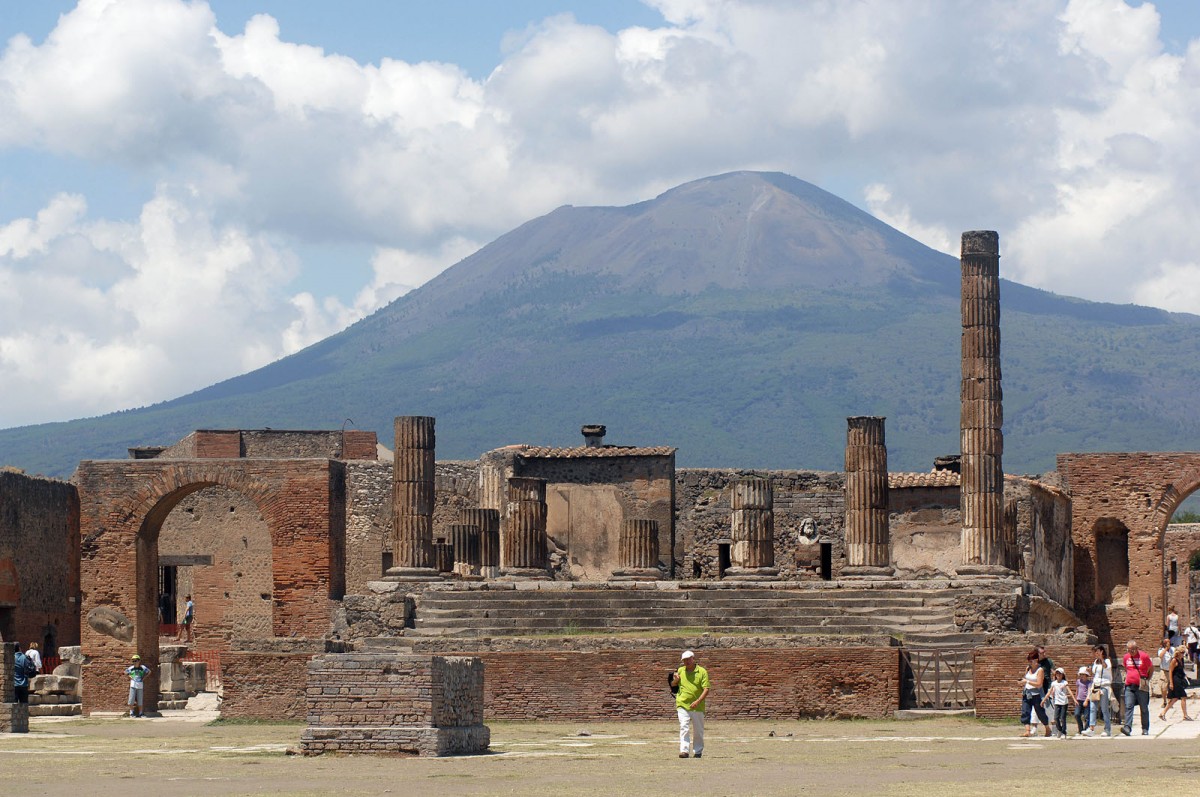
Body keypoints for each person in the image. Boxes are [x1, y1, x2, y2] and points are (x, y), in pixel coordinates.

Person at [670, 650, 709, 758]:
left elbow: (706, 688)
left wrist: (698, 701)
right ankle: (684, 751)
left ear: (693, 658)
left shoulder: (702, 671)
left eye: (688, 659)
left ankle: (698, 751)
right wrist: (675, 680)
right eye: (684, 660)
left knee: (698, 730)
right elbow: (673, 685)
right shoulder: (680, 670)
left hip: (697, 706)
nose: (686, 662)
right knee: (684, 727)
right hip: (682, 703)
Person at [1122, 640, 1154, 736]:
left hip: (1141, 686)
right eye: (1129, 650)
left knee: (1143, 707)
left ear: (1137, 648)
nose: (1131, 651)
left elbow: (1151, 668)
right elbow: (1126, 668)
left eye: (1133, 649)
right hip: (1129, 685)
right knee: (1128, 706)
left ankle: (1145, 728)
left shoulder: (1144, 656)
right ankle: (1127, 727)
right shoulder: (1126, 657)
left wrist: (1147, 678)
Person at [1020, 650, 1050, 738]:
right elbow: (1026, 679)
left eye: (1031, 660)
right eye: (1029, 660)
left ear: (1036, 660)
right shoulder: (1028, 669)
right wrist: (1023, 682)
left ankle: (1047, 728)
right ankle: (1027, 731)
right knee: (1025, 711)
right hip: (1027, 693)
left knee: (1040, 712)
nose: (1029, 662)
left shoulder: (1040, 670)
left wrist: (1027, 681)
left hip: (1036, 694)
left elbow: (1039, 684)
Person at [1161, 646, 1193, 721]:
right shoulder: (1174, 660)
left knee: (1175, 698)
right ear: (1178, 653)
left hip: (1180, 679)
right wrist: (1171, 683)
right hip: (1175, 681)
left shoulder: (1181, 660)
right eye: (1182, 653)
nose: (1183, 654)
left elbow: (1181, 670)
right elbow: (1171, 672)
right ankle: (1185, 715)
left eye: (1184, 653)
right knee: (1183, 696)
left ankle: (1162, 713)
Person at [1090, 645, 1114, 737]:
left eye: (1097, 652)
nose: (1095, 654)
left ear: (1101, 652)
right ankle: (1091, 728)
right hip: (1095, 686)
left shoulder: (1107, 660)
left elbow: (1105, 667)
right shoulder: (1095, 662)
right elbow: (1094, 673)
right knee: (1092, 707)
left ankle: (1107, 729)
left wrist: (1102, 659)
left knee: (1104, 709)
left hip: (1104, 686)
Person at [1042, 667, 1072, 738]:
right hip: (1057, 702)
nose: (1058, 675)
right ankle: (1060, 730)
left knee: (1062, 718)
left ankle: (1064, 732)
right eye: (1057, 673)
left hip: (1064, 702)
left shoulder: (1064, 682)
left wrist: (1074, 699)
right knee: (1056, 718)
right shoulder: (1054, 683)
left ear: (1062, 675)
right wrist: (1043, 700)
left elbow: (1069, 691)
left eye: (1060, 673)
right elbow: (1049, 692)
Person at [125, 654, 152, 718]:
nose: (134, 662)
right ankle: (131, 712)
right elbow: (125, 672)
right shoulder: (131, 668)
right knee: (131, 699)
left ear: (139, 661)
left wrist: (144, 678)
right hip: (133, 685)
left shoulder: (143, 667)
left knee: (140, 700)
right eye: (133, 661)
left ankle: (140, 713)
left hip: (140, 685)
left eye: (136, 660)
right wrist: (130, 677)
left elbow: (149, 672)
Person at [1155, 636, 1174, 709]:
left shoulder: (1173, 649)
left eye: (1169, 642)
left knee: (1171, 687)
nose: (1169, 643)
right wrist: (1166, 649)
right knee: (1163, 687)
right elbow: (1160, 656)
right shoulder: (1161, 650)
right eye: (1167, 642)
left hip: (1172, 670)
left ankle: (1170, 702)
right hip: (1164, 671)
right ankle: (1164, 701)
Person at [1074, 667, 1093, 735]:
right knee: (1077, 714)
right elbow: (1077, 690)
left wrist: (1086, 700)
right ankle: (1080, 729)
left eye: (1083, 674)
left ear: (1086, 675)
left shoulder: (1089, 682)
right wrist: (1075, 699)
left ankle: (1086, 729)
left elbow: (1089, 691)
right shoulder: (1078, 681)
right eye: (1081, 674)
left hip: (1086, 700)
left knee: (1086, 716)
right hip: (1079, 700)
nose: (1082, 676)